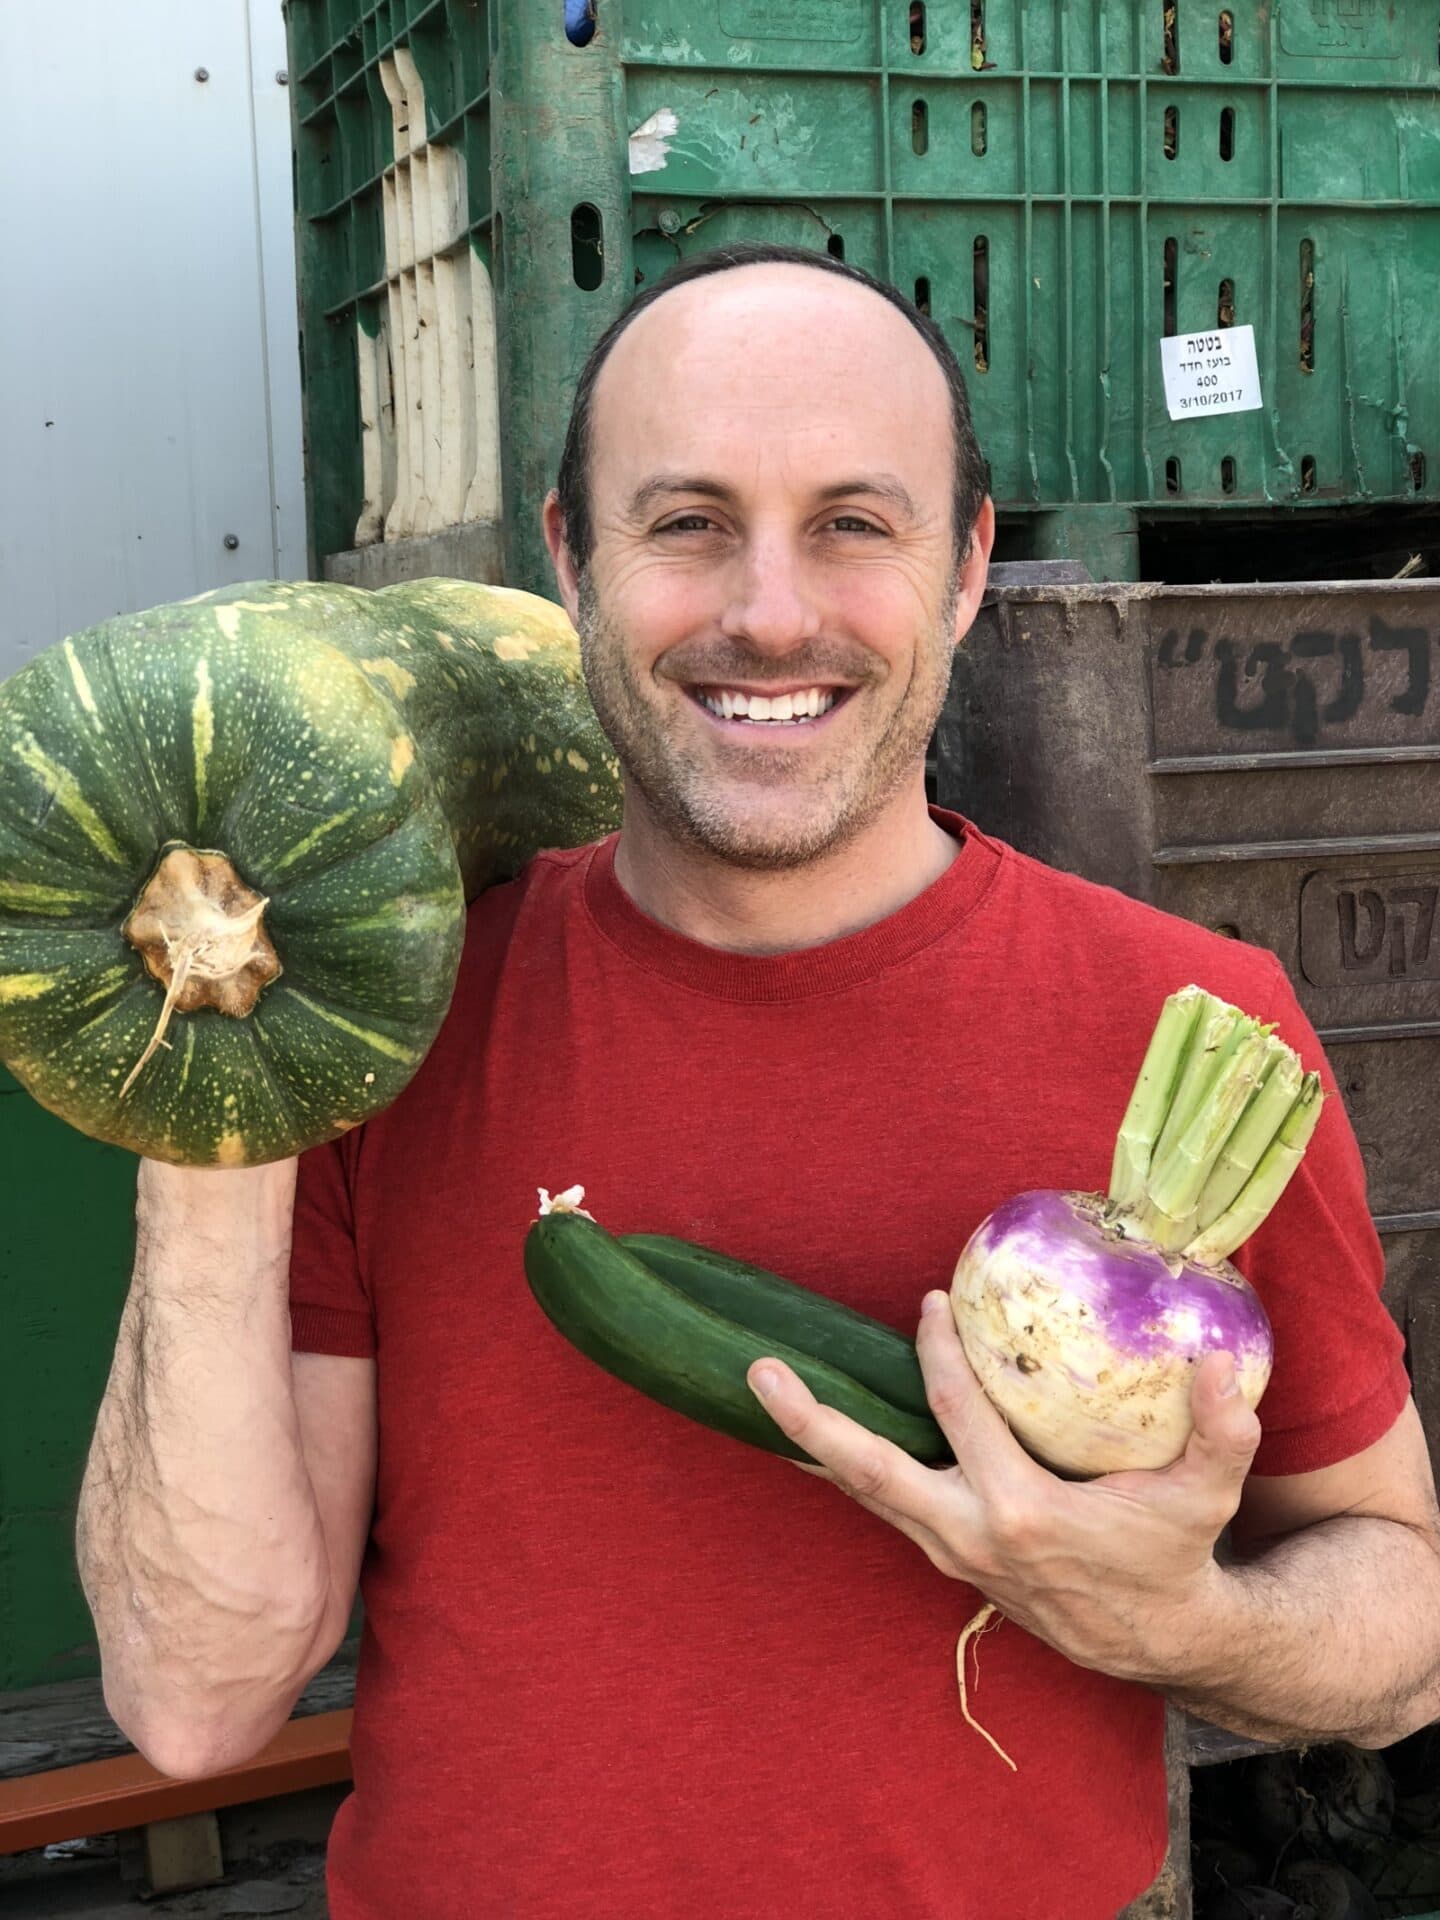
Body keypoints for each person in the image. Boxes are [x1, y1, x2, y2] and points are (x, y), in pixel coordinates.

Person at [77, 243, 1440, 1920]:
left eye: (856, 525)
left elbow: (1404, 1625)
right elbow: (196, 1704)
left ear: (964, 570)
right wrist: (204, 1096)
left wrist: (1187, 1628)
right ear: (570, 561)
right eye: (688, 522)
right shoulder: (393, 1033)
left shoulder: (1190, 1025)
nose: (770, 613)